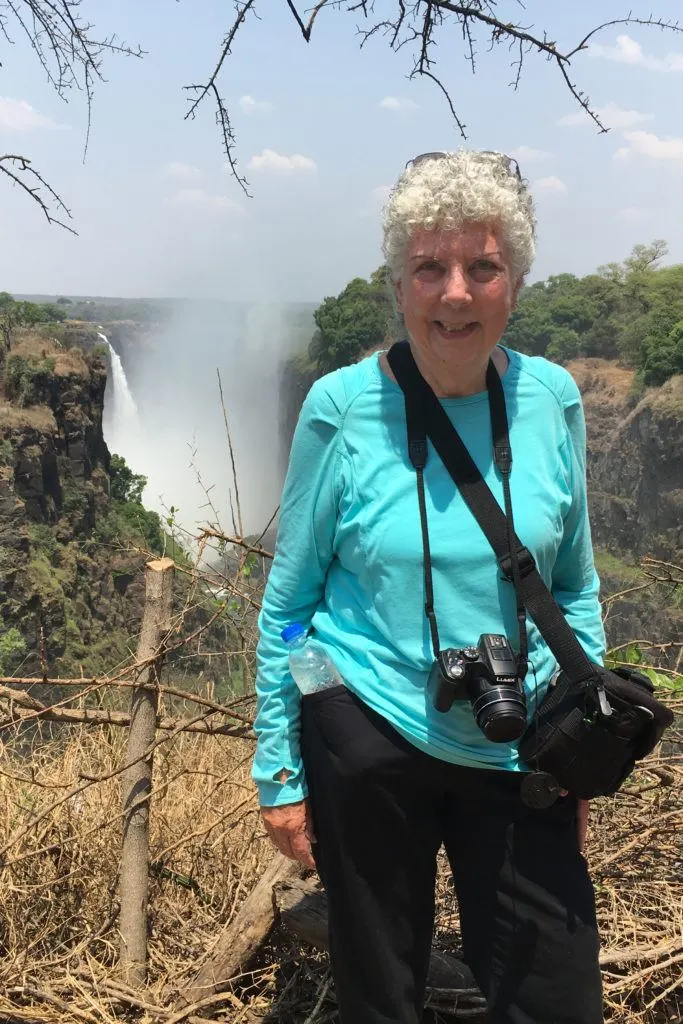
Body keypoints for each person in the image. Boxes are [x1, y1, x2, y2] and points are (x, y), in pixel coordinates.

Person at [252, 150, 605, 1024]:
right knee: (381, 997)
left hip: (517, 742)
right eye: (429, 268)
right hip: (365, 736)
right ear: (399, 284)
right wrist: (286, 762)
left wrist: (581, 738)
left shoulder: (551, 398)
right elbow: (291, 611)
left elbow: (575, 585)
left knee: (556, 998)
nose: (455, 293)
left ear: (515, 282)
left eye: (481, 266)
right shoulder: (341, 406)